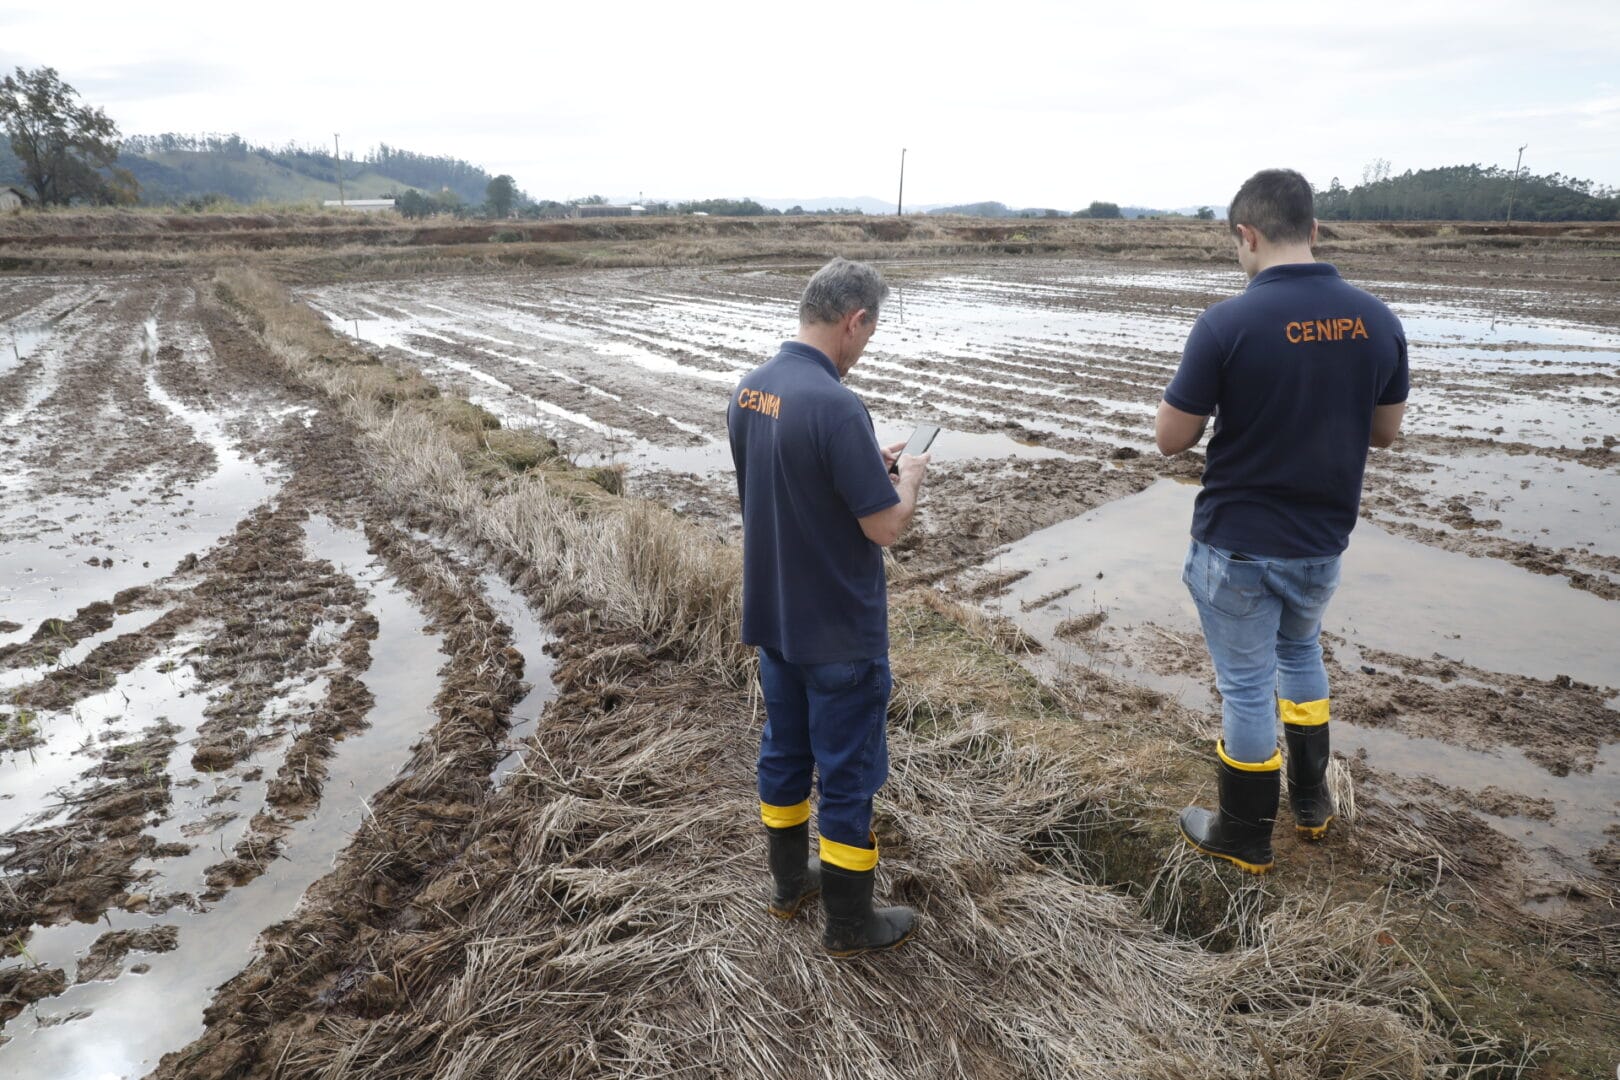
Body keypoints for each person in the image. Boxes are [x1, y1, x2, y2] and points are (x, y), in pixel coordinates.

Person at [1155, 169, 1408, 873]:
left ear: (1248, 235)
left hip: (1238, 544)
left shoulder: (1227, 324)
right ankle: (1311, 805)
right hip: (1321, 542)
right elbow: (1385, 432)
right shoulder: (1377, 319)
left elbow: (1171, 438)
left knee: (1244, 687)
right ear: (1316, 230)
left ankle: (1242, 834)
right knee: (1300, 655)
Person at [727, 257, 930, 956]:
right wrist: (909, 482)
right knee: (847, 778)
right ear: (855, 321)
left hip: (775, 621)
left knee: (784, 753)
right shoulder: (837, 404)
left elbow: (779, 484)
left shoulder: (753, 389)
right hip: (840, 635)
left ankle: (789, 887)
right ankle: (850, 925)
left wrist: (861, 465)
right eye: (867, 334)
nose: (864, 347)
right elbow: (885, 527)